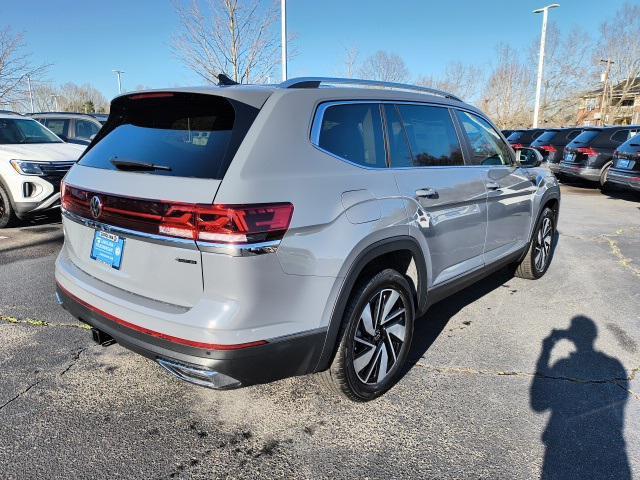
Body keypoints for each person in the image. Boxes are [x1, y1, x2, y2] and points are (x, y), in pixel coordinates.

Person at [530, 316, 630, 480]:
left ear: (571, 337)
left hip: (563, 446)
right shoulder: (615, 365)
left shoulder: (563, 365)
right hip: (612, 448)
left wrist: (546, 349)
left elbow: (538, 405)